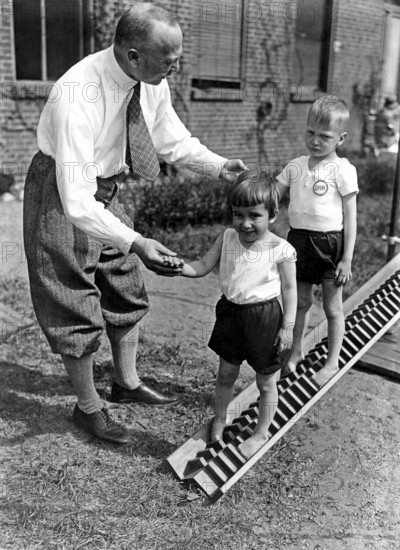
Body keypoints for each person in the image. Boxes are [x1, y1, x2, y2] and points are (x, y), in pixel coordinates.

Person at [23, 3, 246, 445]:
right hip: (62, 192)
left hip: (103, 189)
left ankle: (125, 383)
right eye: (169, 60)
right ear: (132, 55)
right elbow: (76, 203)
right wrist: (136, 240)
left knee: (124, 280)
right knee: (72, 297)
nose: (176, 68)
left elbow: (171, 139)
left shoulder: (149, 79)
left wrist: (221, 168)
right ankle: (87, 408)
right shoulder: (77, 94)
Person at [173, 171, 297, 459]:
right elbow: (203, 265)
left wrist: (287, 327)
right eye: (238, 214)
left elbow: (290, 291)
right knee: (226, 373)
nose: (245, 223)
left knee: (266, 381)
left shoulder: (281, 249)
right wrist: (177, 266)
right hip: (230, 314)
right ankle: (220, 418)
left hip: (264, 318)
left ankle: (261, 431)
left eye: (254, 215)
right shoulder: (228, 237)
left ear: (273, 214)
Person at [276, 96, 358, 388]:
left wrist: (347, 258)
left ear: (341, 138)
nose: (315, 140)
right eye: (310, 132)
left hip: (330, 245)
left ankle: (332, 362)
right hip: (298, 242)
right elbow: (273, 194)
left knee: (333, 308)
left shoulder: (343, 170)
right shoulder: (296, 166)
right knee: (299, 303)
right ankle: (295, 351)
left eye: (324, 136)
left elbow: (351, 218)